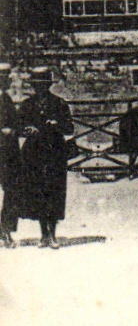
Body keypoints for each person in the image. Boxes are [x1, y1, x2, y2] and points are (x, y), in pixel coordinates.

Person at [15, 68, 73, 249]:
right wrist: (28, 128)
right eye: (37, 86)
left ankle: (53, 234)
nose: (40, 89)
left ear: (48, 86)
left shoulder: (59, 103)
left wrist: (57, 124)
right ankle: (43, 235)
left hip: (54, 151)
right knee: (38, 192)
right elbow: (18, 127)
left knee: (54, 192)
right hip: (34, 153)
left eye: (43, 85)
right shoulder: (27, 104)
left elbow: (69, 128)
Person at [0, 63, 19, 248]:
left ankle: (5, 230)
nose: (8, 80)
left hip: (8, 153)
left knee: (11, 190)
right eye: (4, 77)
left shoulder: (6, 98)